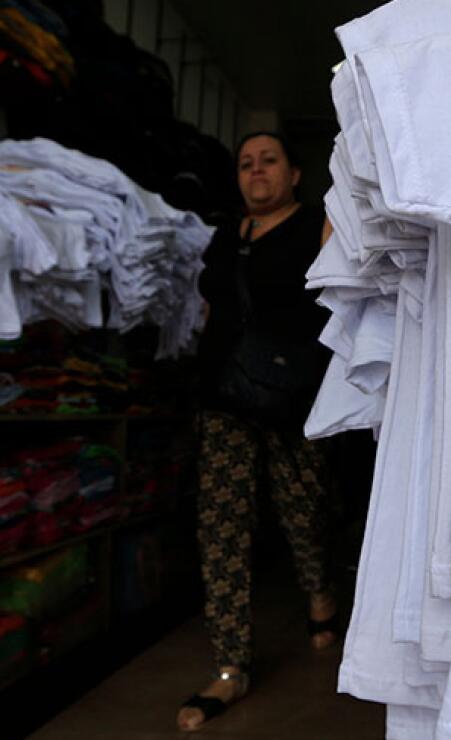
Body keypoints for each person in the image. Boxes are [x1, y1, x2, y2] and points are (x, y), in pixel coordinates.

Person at [180, 131, 339, 731]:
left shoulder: (318, 229)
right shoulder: (225, 238)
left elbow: (346, 304)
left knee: (304, 514)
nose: (256, 172)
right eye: (246, 164)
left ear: (294, 173)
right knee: (220, 523)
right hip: (224, 399)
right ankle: (230, 666)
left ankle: (320, 591)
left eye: (269, 160)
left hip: (293, 401)